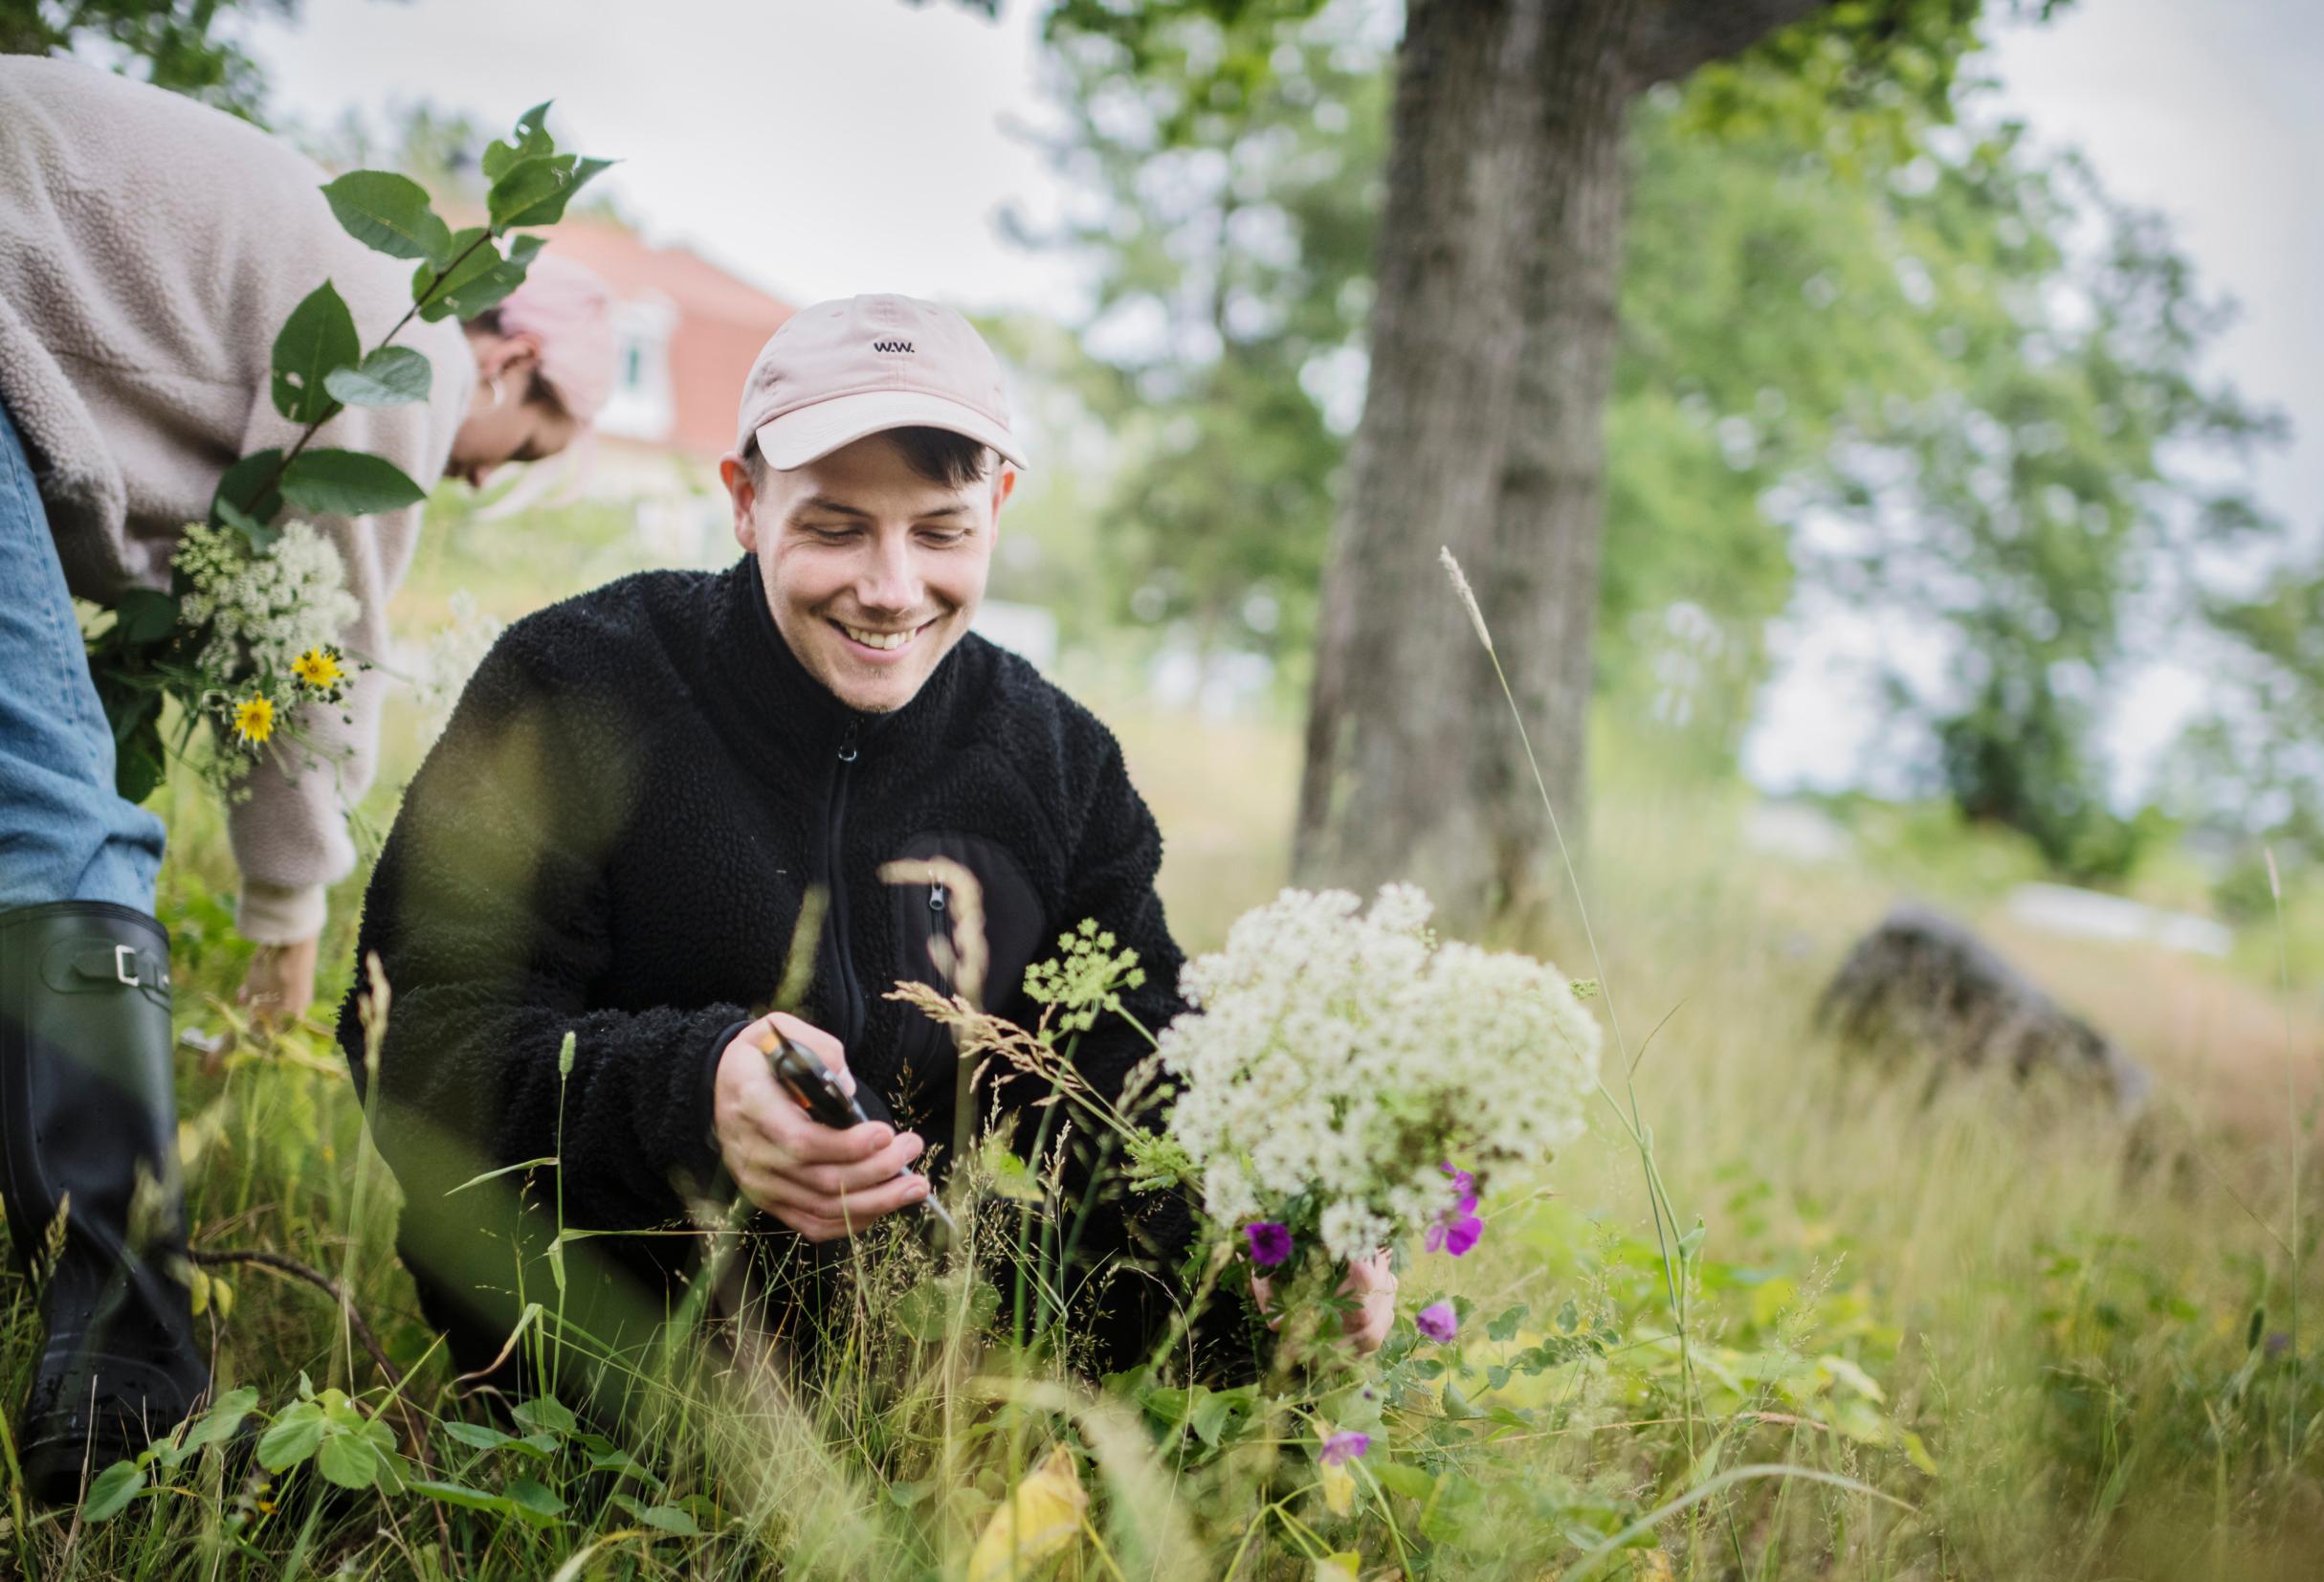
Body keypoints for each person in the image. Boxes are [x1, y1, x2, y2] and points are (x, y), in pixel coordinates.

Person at [340, 295, 1395, 1418]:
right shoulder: (573, 683)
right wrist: (693, 1095)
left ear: (997, 503)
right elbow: (416, 1034)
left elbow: (1132, 1097)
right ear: (744, 503)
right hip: (595, 1393)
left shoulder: (1059, 763)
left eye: (940, 531)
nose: (890, 590)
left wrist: (1275, 1254)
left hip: (939, 1415)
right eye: (835, 528)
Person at [0, 56, 616, 1503]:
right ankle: (127, 1388)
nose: (477, 482)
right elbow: (312, 663)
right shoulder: (403, 363)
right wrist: (288, 917)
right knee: (61, 816)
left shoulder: (307, 242)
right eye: (519, 452)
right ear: (511, 363)